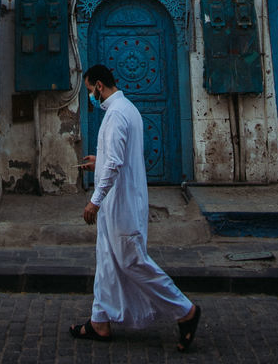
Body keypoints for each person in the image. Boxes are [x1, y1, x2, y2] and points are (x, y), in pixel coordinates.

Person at [69, 63, 201, 351]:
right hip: (119, 204)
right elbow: (117, 158)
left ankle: (185, 310)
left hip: (121, 205)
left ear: (100, 87)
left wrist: (94, 200)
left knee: (132, 262)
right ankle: (99, 322)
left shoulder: (116, 115)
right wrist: (98, 162)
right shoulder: (127, 109)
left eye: (91, 91)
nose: (91, 96)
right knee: (107, 260)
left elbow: (115, 163)